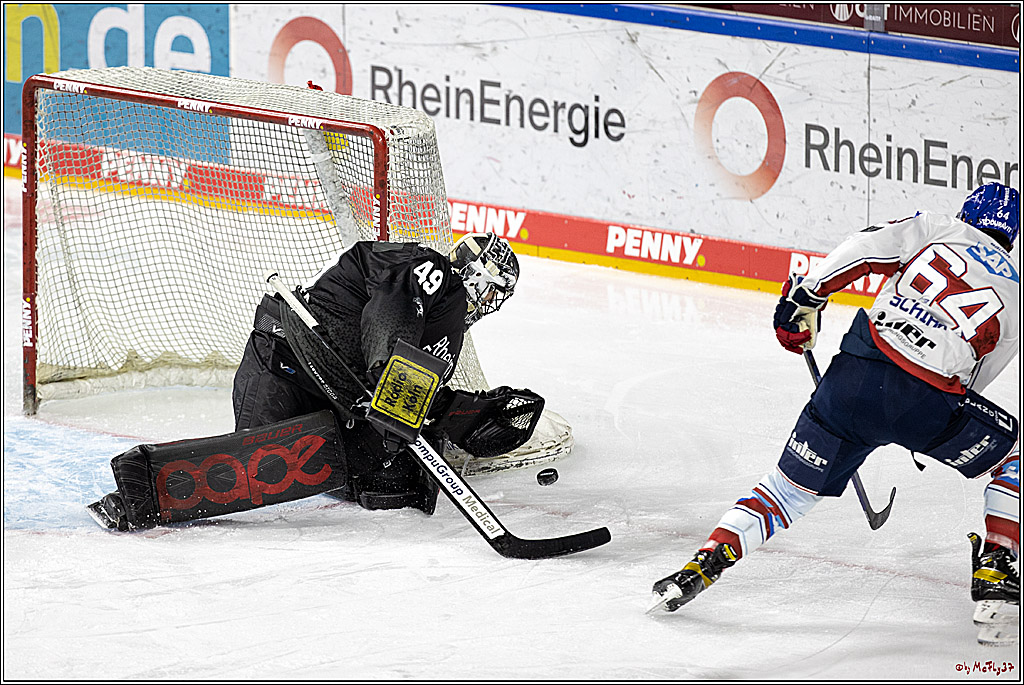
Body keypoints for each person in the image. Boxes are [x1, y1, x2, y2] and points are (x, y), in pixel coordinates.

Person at [650, 183, 1021, 631]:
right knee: (1012, 457)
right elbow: (975, 379)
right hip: (928, 400)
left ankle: (703, 562)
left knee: (785, 491)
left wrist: (805, 297)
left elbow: (863, 250)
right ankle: (998, 560)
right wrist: (931, 426)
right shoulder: (1015, 290)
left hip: (855, 373)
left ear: (967, 213)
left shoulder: (935, 228)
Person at [89, 233, 539, 530]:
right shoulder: (430, 272)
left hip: (335, 391)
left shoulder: (445, 324)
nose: (491, 302)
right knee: (256, 461)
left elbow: (418, 395)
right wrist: (388, 375)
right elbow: (391, 311)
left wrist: (467, 415)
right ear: (482, 278)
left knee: (398, 480)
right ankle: (142, 485)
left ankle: (149, 488)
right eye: (495, 291)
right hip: (286, 359)